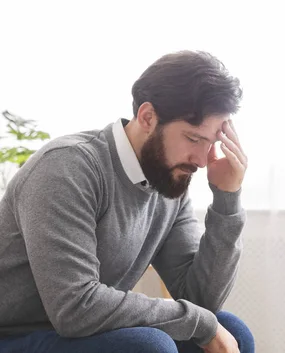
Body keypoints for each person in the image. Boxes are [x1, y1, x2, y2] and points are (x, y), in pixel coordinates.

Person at [0, 50, 253, 353]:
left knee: (233, 331)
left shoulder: (168, 180)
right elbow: (75, 308)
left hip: (75, 332)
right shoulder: (67, 168)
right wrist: (201, 323)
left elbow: (201, 301)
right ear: (148, 117)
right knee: (150, 347)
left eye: (210, 143)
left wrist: (227, 199)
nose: (201, 160)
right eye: (193, 139)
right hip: (14, 332)